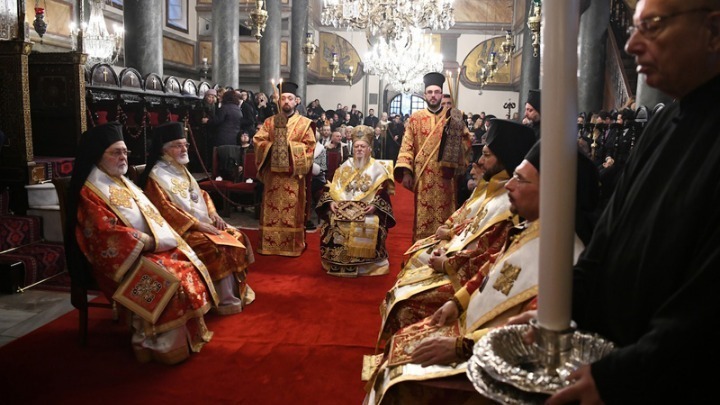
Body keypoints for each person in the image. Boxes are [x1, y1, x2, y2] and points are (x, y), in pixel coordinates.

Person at [507, 1, 720, 403]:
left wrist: (619, 378)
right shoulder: (663, 123)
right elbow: (608, 235)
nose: (633, 43)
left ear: (713, 30)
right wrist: (561, 309)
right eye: (634, 27)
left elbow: (707, 309)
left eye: (652, 26)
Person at [367, 142, 599, 404]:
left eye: (520, 179)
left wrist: (461, 346)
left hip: (493, 360)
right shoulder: (531, 228)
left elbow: (530, 331)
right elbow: (490, 268)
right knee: (399, 346)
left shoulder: (565, 260)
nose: (509, 185)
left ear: (552, 192)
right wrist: (457, 302)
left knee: (400, 382)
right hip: (468, 325)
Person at [65, 122, 219, 365]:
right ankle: (153, 342)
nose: (123, 157)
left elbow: (151, 214)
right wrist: (145, 242)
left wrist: (158, 239)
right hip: (118, 260)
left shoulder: (122, 181)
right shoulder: (91, 190)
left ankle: (182, 339)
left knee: (185, 263)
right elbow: (102, 233)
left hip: (144, 250)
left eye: (125, 152)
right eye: (116, 152)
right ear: (98, 156)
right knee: (171, 277)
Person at [378, 119, 537, 343]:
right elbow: (473, 222)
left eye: (486, 155)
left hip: (478, 297)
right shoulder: (496, 189)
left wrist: (449, 265)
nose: (479, 161)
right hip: (464, 271)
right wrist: (450, 231)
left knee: (404, 304)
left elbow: (490, 254)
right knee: (411, 266)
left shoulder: (514, 208)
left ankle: (410, 351)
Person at [139, 121, 256, 315]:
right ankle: (222, 300)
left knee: (236, 235)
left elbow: (201, 194)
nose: (184, 149)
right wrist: (198, 225)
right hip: (179, 231)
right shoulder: (156, 176)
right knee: (217, 247)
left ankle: (237, 293)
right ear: (164, 150)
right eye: (178, 145)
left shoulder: (180, 168)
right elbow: (165, 209)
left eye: (185, 144)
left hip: (202, 223)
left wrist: (213, 213)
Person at [395, 72, 472, 241]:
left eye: (437, 92)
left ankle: (443, 246)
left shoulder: (453, 117)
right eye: (430, 92)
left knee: (446, 214)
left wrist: (459, 141)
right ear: (425, 95)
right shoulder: (415, 119)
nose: (433, 95)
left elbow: (467, 143)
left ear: (442, 95)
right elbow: (407, 145)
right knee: (423, 216)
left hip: (447, 177)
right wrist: (407, 172)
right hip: (423, 176)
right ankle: (420, 247)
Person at [316, 125, 396, 277]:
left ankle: (365, 265)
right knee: (332, 221)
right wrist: (331, 202)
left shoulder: (378, 169)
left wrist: (374, 206)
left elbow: (383, 193)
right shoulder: (344, 166)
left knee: (368, 223)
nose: (359, 149)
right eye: (357, 146)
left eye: (363, 146)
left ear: (369, 149)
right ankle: (336, 261)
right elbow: (330, 186)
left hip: (366, 210)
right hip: (342, 209)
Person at [253, 81, 316, 256]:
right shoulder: (269, 122)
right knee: (271, 209)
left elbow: (310, 147)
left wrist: (289, 147)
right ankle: (269, 244)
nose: (286, 101)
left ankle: (292, 245)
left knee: (292, 211)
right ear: (278, 101)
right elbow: (258, 141)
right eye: (283, 98)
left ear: (296, 101)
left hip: (293, 176)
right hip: (272, 176)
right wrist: (272, 147)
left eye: (290, 98)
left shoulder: (305, 123)